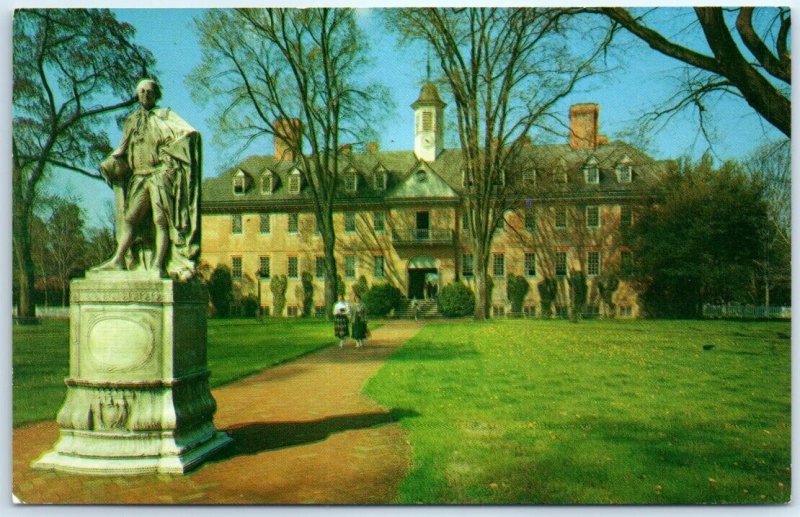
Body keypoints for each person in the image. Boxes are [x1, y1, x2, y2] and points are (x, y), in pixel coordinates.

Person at [94, 78, 201, 280]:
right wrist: (111, 162)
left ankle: (158, 265)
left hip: (160, 174)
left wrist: (170, 158)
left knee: (160, 220)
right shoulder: (132, 120)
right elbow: (123, 149)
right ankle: (118, 259)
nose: (145, 95)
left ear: (156, 94)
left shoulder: (165, 116)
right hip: (139, 176)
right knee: (130, 218)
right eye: (141, 91)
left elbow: (189, 134)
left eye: (149, 91)